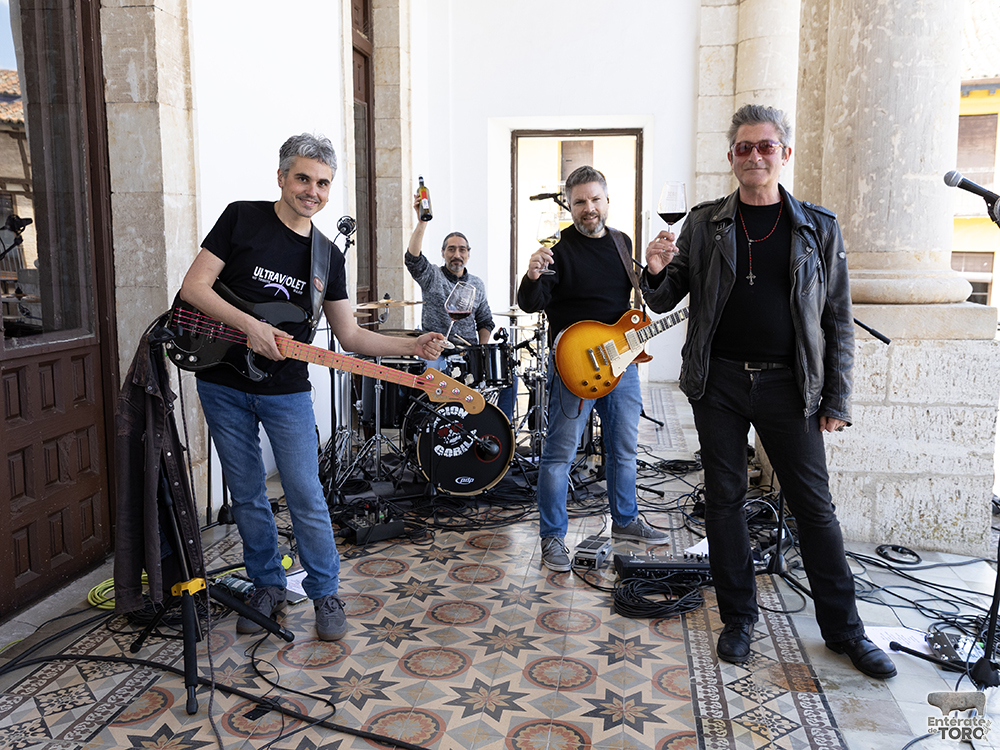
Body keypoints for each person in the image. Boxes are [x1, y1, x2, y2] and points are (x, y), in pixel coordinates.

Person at [641, 104, 896, 679]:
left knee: (815, 510)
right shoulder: (704, 225)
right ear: (731, 157)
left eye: (766, 146)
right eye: (744, 147)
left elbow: (837, 319)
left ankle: (845, 631)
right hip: (720, 383)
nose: (755, 156)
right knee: (724, 502)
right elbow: (662, 299)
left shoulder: (818, 228)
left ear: (785, 153)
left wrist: (837, 398)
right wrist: (654, 269)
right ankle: (739, 619)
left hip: (790, 386)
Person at [180, 134, 447, 640]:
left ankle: (326, 593)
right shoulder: (241, 218)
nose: (313, 191)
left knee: (305, 491)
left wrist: (413, 344)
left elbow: (350, 336)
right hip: (220, 379)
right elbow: (193, 287)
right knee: (248, 492)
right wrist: (251, 328)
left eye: (323, 183)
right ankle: (267, 585)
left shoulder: (328, 258)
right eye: (303, 178)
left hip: (284, 389)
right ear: (282, 177)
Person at [516, 165, 670, 573]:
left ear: (607, 201)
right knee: (558, 455)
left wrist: (654, 270)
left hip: (622, 363)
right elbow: (532, 303)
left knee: (623, 448)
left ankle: (626, 520)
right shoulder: (556, 250)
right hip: (572, 366)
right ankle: (552, 537)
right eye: (580, 201)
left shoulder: (622, 242)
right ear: (569, 204)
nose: (589, 208)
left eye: (595, 199)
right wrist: (531, 277)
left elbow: (647, 300)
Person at [405, 195, 516, 422]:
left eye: (462, 250)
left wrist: (482, 352)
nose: (457, 255)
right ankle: (430, 429)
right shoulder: (432, 276)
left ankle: (501, 430)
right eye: (452, 249)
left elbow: (485, 321)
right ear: (443, 253)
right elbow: (412, 259)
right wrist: (422, 222)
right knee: (432, 383)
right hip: (436, 352)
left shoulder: (476, 284)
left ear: (468, 254)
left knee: (508, 379)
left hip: (469, 354)